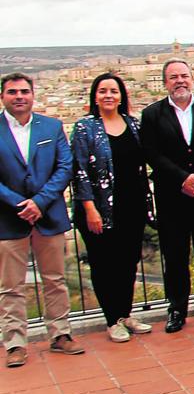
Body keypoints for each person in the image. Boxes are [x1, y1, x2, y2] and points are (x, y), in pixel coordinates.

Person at [141, 60, 194, 333]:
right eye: (173, 77)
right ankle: (177, 308)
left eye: (184, 76)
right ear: (166, 82)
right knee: (175, 253)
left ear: (193, 78)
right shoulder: (152, 114)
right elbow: (152, 153)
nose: (180, 81)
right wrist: (182, 178)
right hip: (172, 194)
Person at [1, 73, 80, 367]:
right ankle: (15, 343)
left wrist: (40, 202)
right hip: (9, 217)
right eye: (12, 92)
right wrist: (20, 204)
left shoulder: (52, 126)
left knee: (55, 280)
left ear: (33, 95)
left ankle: (60, 334)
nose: (19, 96)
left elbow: (64, 166)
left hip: (48, 214)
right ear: (3, 97)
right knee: (11, 285)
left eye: (24, 91)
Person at [71, 73, 153, 342]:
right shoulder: (85, 128)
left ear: (121, 96)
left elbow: (143, 165)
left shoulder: (133, 124)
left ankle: (125, 314)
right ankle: (112, 319)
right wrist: (89, 209)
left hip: (132, 205)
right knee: (104, 264)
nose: (109, 95)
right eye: (103, 91)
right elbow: (79, 171)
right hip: (98, 209)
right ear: (95, 96)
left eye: (114, 91)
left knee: (128, 261)